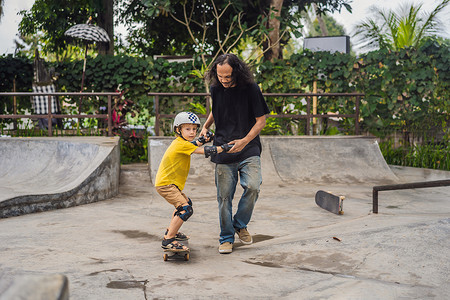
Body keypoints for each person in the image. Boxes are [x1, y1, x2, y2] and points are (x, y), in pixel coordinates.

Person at [200, 53, 270, 254]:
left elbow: (261, 121)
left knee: (254, 186)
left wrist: (244, 141)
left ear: (237, 72)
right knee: (224, 198)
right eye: (220, 76)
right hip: (223, 148)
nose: (224, 80)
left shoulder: (251, 89)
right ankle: (226, 238)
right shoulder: (216, 88)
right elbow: (217, 109)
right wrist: (205, 126)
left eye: (228, 77)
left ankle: (240, 224)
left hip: (248, 148)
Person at [155, 111, 233, 251]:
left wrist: (203, 140)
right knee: (185, 209)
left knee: (184, 205)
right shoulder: (181, 145)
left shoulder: (181, 142)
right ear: (178, 130)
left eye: (194, 129)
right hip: (166, 185)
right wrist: (225, 147)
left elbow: (195, 143)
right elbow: (205, 151)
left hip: (169, 183)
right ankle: (168, 240)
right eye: (187, 129)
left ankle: (171, 230)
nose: (192, 132)